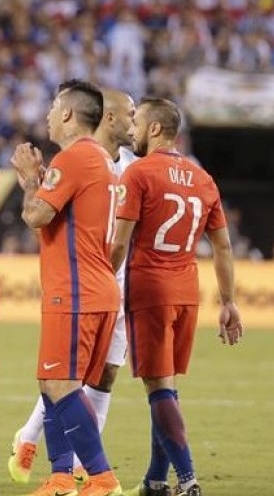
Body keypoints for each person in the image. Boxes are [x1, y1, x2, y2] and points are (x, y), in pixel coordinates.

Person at [110, 97, 243, 496]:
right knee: (164, 384)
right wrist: (229, 302)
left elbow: (119, 244)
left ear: (155, 129)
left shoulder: (137, 174)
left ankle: (187, 479)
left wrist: (98, 278)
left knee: (157, 386)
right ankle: (155, 479)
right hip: (188, 290)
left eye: (137, 124)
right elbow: (223, 247)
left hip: (149, 287)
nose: (131, 131)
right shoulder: (203, 179)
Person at [8, 89, 137, 485]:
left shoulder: (76, 157)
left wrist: (31, 180)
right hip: (95, 285)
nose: (46, 115)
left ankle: (101, 478)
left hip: (76, 289)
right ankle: (61, 477)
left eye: (51, 108)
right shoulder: (100, 160)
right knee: (55, 383)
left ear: (67, 115)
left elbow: (35, 216)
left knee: (61, 384)